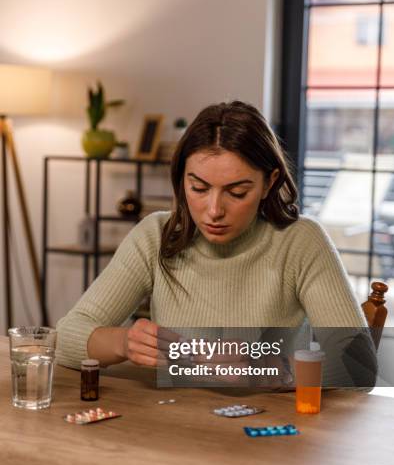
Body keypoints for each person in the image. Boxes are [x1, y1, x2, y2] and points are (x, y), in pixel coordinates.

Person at [56, 100, 376, 388]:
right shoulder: (155, 234)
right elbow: (65, 339)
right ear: (182, 179)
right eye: (198, 188)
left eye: (237, 192)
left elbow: (359, 363)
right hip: (173, 427)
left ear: (270, 182)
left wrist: (266, 368)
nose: (214, 211)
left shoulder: (301, 241)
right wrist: (123, 342)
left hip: (272, 432)